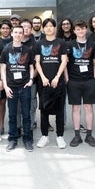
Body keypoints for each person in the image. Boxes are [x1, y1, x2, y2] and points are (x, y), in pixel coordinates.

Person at [34, 18, 68, 149]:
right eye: (46, 26)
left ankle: (60, 136)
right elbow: (37, 62)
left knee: (60, 110)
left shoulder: (61, 43)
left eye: (51, 26)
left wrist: (57, 77)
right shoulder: (39, 44)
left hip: (58, 82)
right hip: (43, 82)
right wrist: (42, 77)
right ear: (43, 28)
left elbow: (64, 61)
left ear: (54, 28)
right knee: (44, 110)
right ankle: (44, 136)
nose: (48, 28)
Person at [0, 25, 35, 151]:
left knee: (26, 114)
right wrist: (5, 85)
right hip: (11, 87)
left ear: (23, 34)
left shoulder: (28, 50)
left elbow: (31, 67)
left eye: (21, 32)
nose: (18, 34)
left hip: (25, 86)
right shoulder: (6, 50)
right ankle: (13, 139)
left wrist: (31, 80)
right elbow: (3, 68)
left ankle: (27, 139)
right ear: (12, 34)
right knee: (13, 115)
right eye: (16, 32)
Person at [66, 20, 95, 148]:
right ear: (74, 31)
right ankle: (77, 135)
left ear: (86, 30)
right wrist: (67, 79)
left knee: (89, 107)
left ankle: (89, 134)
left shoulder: (92, 45)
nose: (80, 31)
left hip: (89, 80)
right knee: (76, 108)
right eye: (77, 29)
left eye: (82, 29)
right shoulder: (69, 44)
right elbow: (65, 63)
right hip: (74, 81)